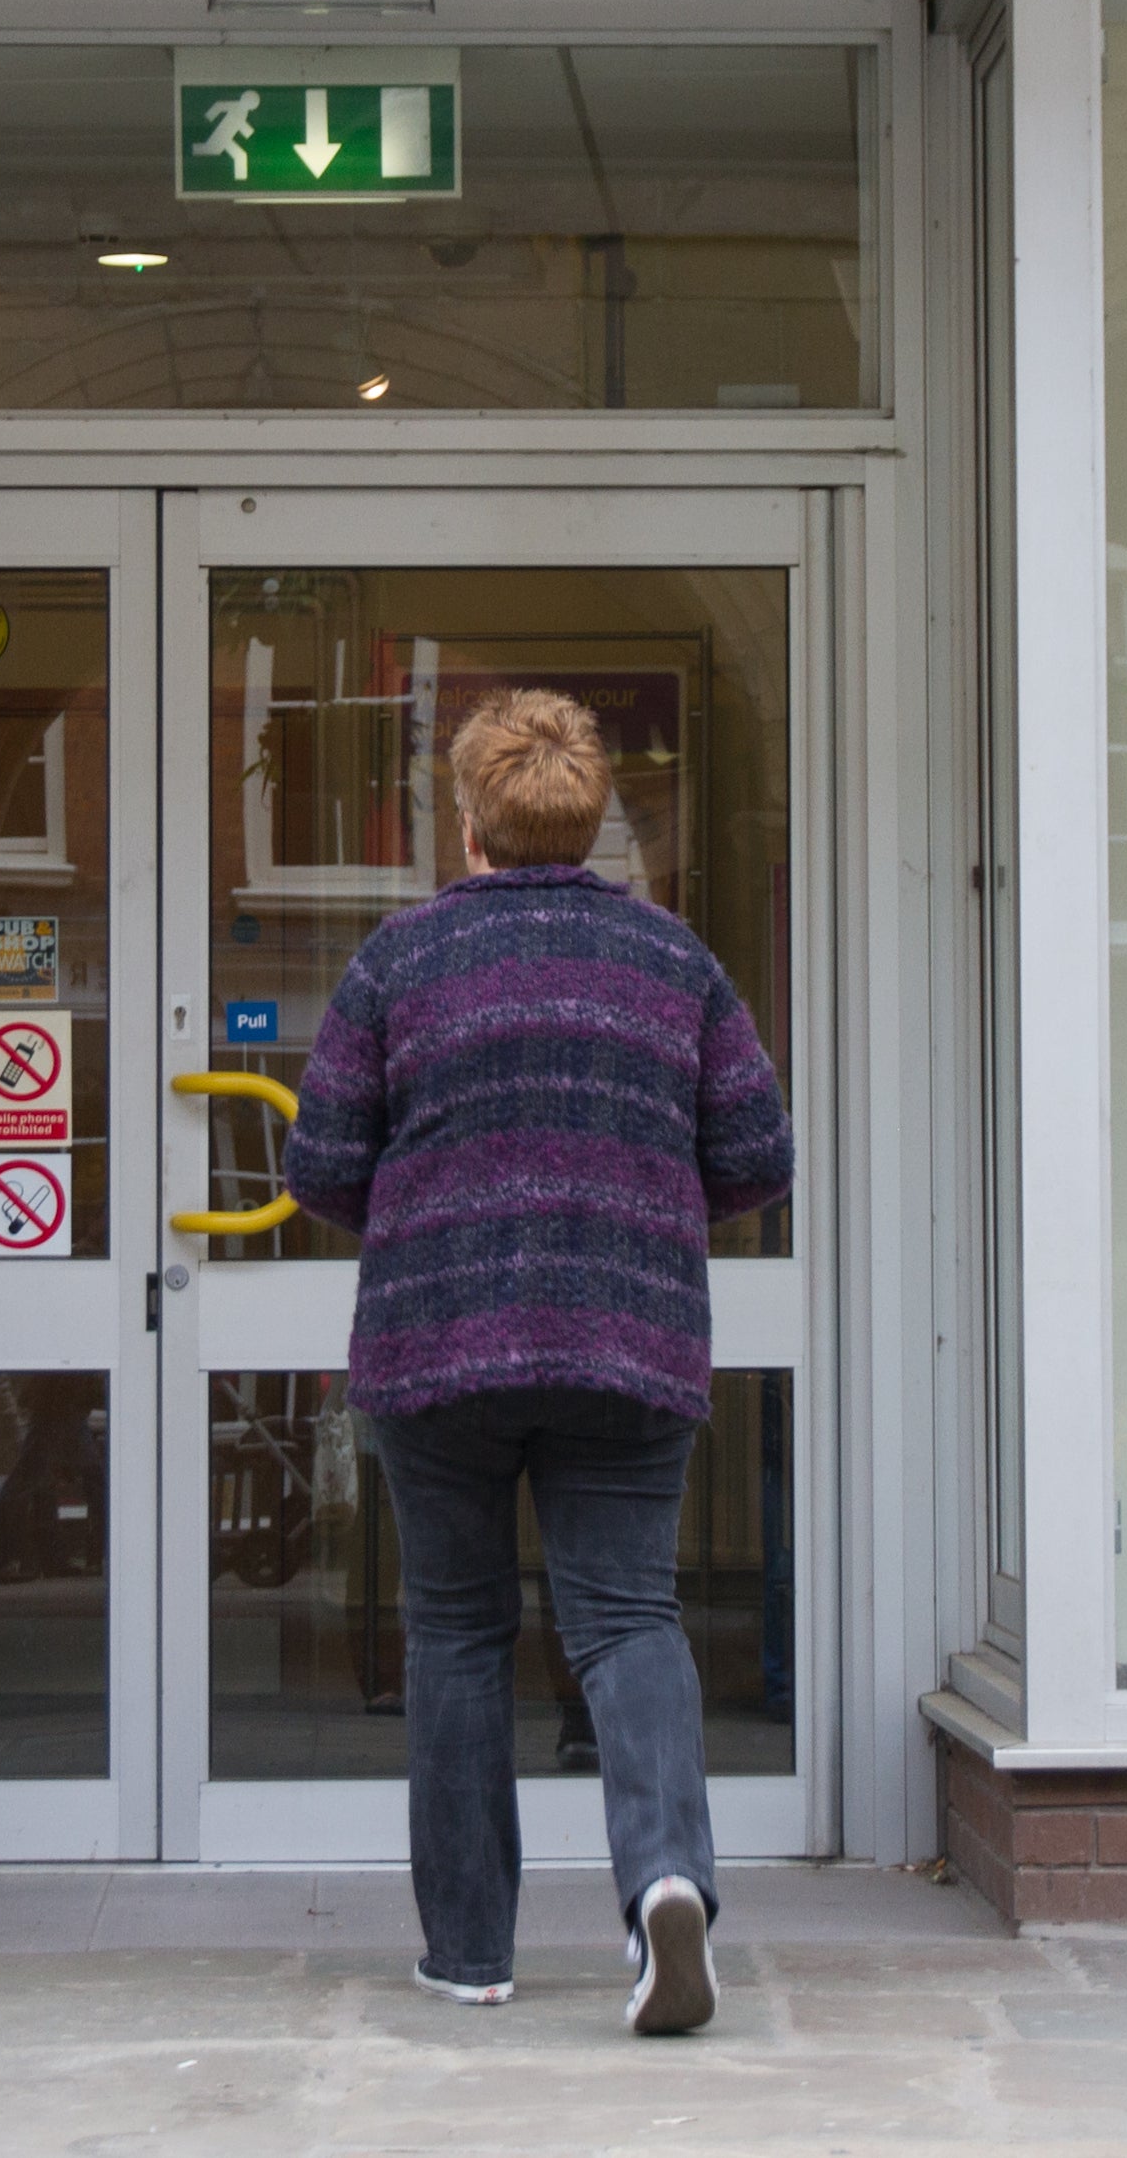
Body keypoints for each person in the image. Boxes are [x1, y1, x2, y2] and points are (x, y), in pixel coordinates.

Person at [284, 686, 793, 2032]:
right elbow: (757, 1157)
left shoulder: (399, 961)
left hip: (437, 1347)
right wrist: (628, 1188)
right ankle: (669, 1883)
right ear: (594, 816)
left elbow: (322, 1167)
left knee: (456, 1632)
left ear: (467, 823)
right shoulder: (673, 960)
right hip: (625, 1336)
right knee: (628, 1620)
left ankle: (468, 1953)